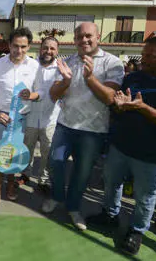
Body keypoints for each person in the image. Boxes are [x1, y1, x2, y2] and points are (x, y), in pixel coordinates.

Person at [87, 35, 156, 256]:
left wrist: (142, 108)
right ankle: (110, 215)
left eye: (150, 56)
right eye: (144, 54)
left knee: (145, 195)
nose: (143, 59)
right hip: (121, 145)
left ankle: (137, 230)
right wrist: (118, 105)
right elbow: (119, 105)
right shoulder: (133, 77)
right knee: (111, 182)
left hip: (152, 154)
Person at [44, 22, 125, 231]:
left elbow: (110, 98)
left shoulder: (112, 63)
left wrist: (90, 78)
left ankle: (73, 207)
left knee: (82, 172)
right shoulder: (67, 61)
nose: (84, 40)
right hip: (65, 125)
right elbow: (53, 95)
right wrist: (66, 80)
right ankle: (56, 196)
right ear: (74, 40)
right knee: (55, 162)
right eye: (79, 37)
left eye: (88, 36)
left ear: (98, 37)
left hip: (94, 130)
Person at [0, 27, 39, 213]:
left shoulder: (35, 66)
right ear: (9, 45)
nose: (19, 51)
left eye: (24, 47)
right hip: (0, 117)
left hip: (22, 118)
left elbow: (39, 93)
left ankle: (10, 184)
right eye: (15, 46)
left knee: (14, 153)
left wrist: (31, 94)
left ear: (29, 46)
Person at [22, 37, 61, 198]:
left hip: (50, 119)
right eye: (45, 48)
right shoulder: (31, 66)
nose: (48, 51)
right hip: (30, 116)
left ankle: (43, 180)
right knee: (27, 149)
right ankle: (25, 175)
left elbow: (52, 92)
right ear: (40, 48)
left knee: (47, 152)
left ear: (57, 51)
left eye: (52, 48)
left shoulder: (60, 69)